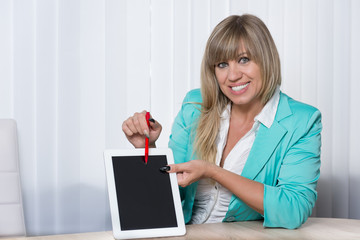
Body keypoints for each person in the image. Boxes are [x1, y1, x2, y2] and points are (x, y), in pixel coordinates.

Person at [122, 14, 322, 229]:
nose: (232, 75)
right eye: (222, 64)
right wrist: (148, 147)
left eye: (244, 60)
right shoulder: (194, 105)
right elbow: (167, 194)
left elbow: (293, 210)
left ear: (266, 59)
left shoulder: (302, 120)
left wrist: (213, 171)